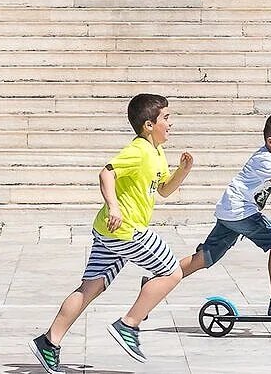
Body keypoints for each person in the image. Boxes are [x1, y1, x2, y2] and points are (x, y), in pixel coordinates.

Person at [33, 93, 196, 369]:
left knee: (90, 287)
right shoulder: (139, 150)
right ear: (148, 124)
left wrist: (183, 170)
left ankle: (49, 342)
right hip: (126, 230)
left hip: (108, 233)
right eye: (166, 118)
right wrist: (114, 207)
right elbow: (106, 172)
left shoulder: (156, 151)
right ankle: (129, 325)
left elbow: (165, 190)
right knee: (172, 271)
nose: (171, 124)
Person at [178, 111, 271, 319]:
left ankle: (159, 280)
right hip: (240, 211)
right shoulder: (264, 158)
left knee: (206, 257)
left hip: (230, 211)